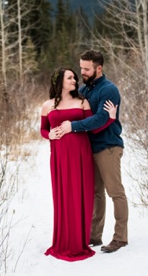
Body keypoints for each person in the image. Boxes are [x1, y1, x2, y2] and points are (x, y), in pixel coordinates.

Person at [40, 67, 117, 262]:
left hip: (81, 154)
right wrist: (48, 134)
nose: (74, 80)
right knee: (63, 196)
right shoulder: (47, 105)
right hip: (58, 156)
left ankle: (79, 241)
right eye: (70, 78)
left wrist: (111, 119)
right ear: (59, 81)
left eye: (75, 77)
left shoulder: (82, 102)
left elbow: (93, 128)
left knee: (81, 195)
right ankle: (64, 241)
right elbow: (43, 129)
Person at [55, 50, 127, 254]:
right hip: (90, 148)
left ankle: (120, 237)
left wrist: (73, 126)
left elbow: (100, 119)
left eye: (86, 69)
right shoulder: (84, 91)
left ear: (99, 68)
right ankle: (94, 235)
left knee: (115, 192)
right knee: (96, 193)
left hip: (108, 147)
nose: (82, 72)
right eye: (81, 68)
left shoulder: (109, 90)